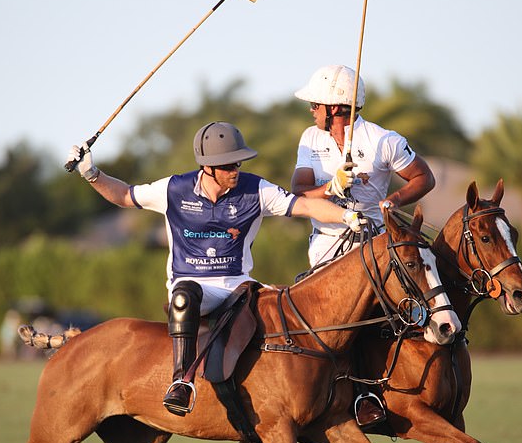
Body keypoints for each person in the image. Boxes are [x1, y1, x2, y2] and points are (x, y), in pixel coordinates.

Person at [66, 121, 366, 417]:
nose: (235, 171)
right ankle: (182, 382)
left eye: (237, 164)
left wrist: (346, 217)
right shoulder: (173, 189)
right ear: (207, 167)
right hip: (192, 285)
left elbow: (305, 206)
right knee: (184, 295)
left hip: (239, 286)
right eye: (227, 166)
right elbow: (124, 196)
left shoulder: (255, 189)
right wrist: (92, 173)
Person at [291, 65, 436, 427]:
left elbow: (424, 176)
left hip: (371, 247)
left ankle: (369, 394)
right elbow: (297, 191)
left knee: (375, 323)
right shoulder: (310, 139)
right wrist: (332, 187)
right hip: (324, 247)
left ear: (337, 107)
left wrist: (394, 200)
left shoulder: (384, 140)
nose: (312, 109)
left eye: (317, 104)